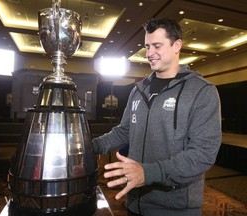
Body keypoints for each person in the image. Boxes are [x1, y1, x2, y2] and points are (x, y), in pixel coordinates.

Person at [92, 17, 222, 216]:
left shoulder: (202, 91)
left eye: (157, 46)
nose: (149, 53)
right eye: (147, 46)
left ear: (177, 45)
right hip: (134, 203)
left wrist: (148, 173)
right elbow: (125, 131)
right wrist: (90, 146)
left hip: (175, 209)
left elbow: (203, 153)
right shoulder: (138, 90)